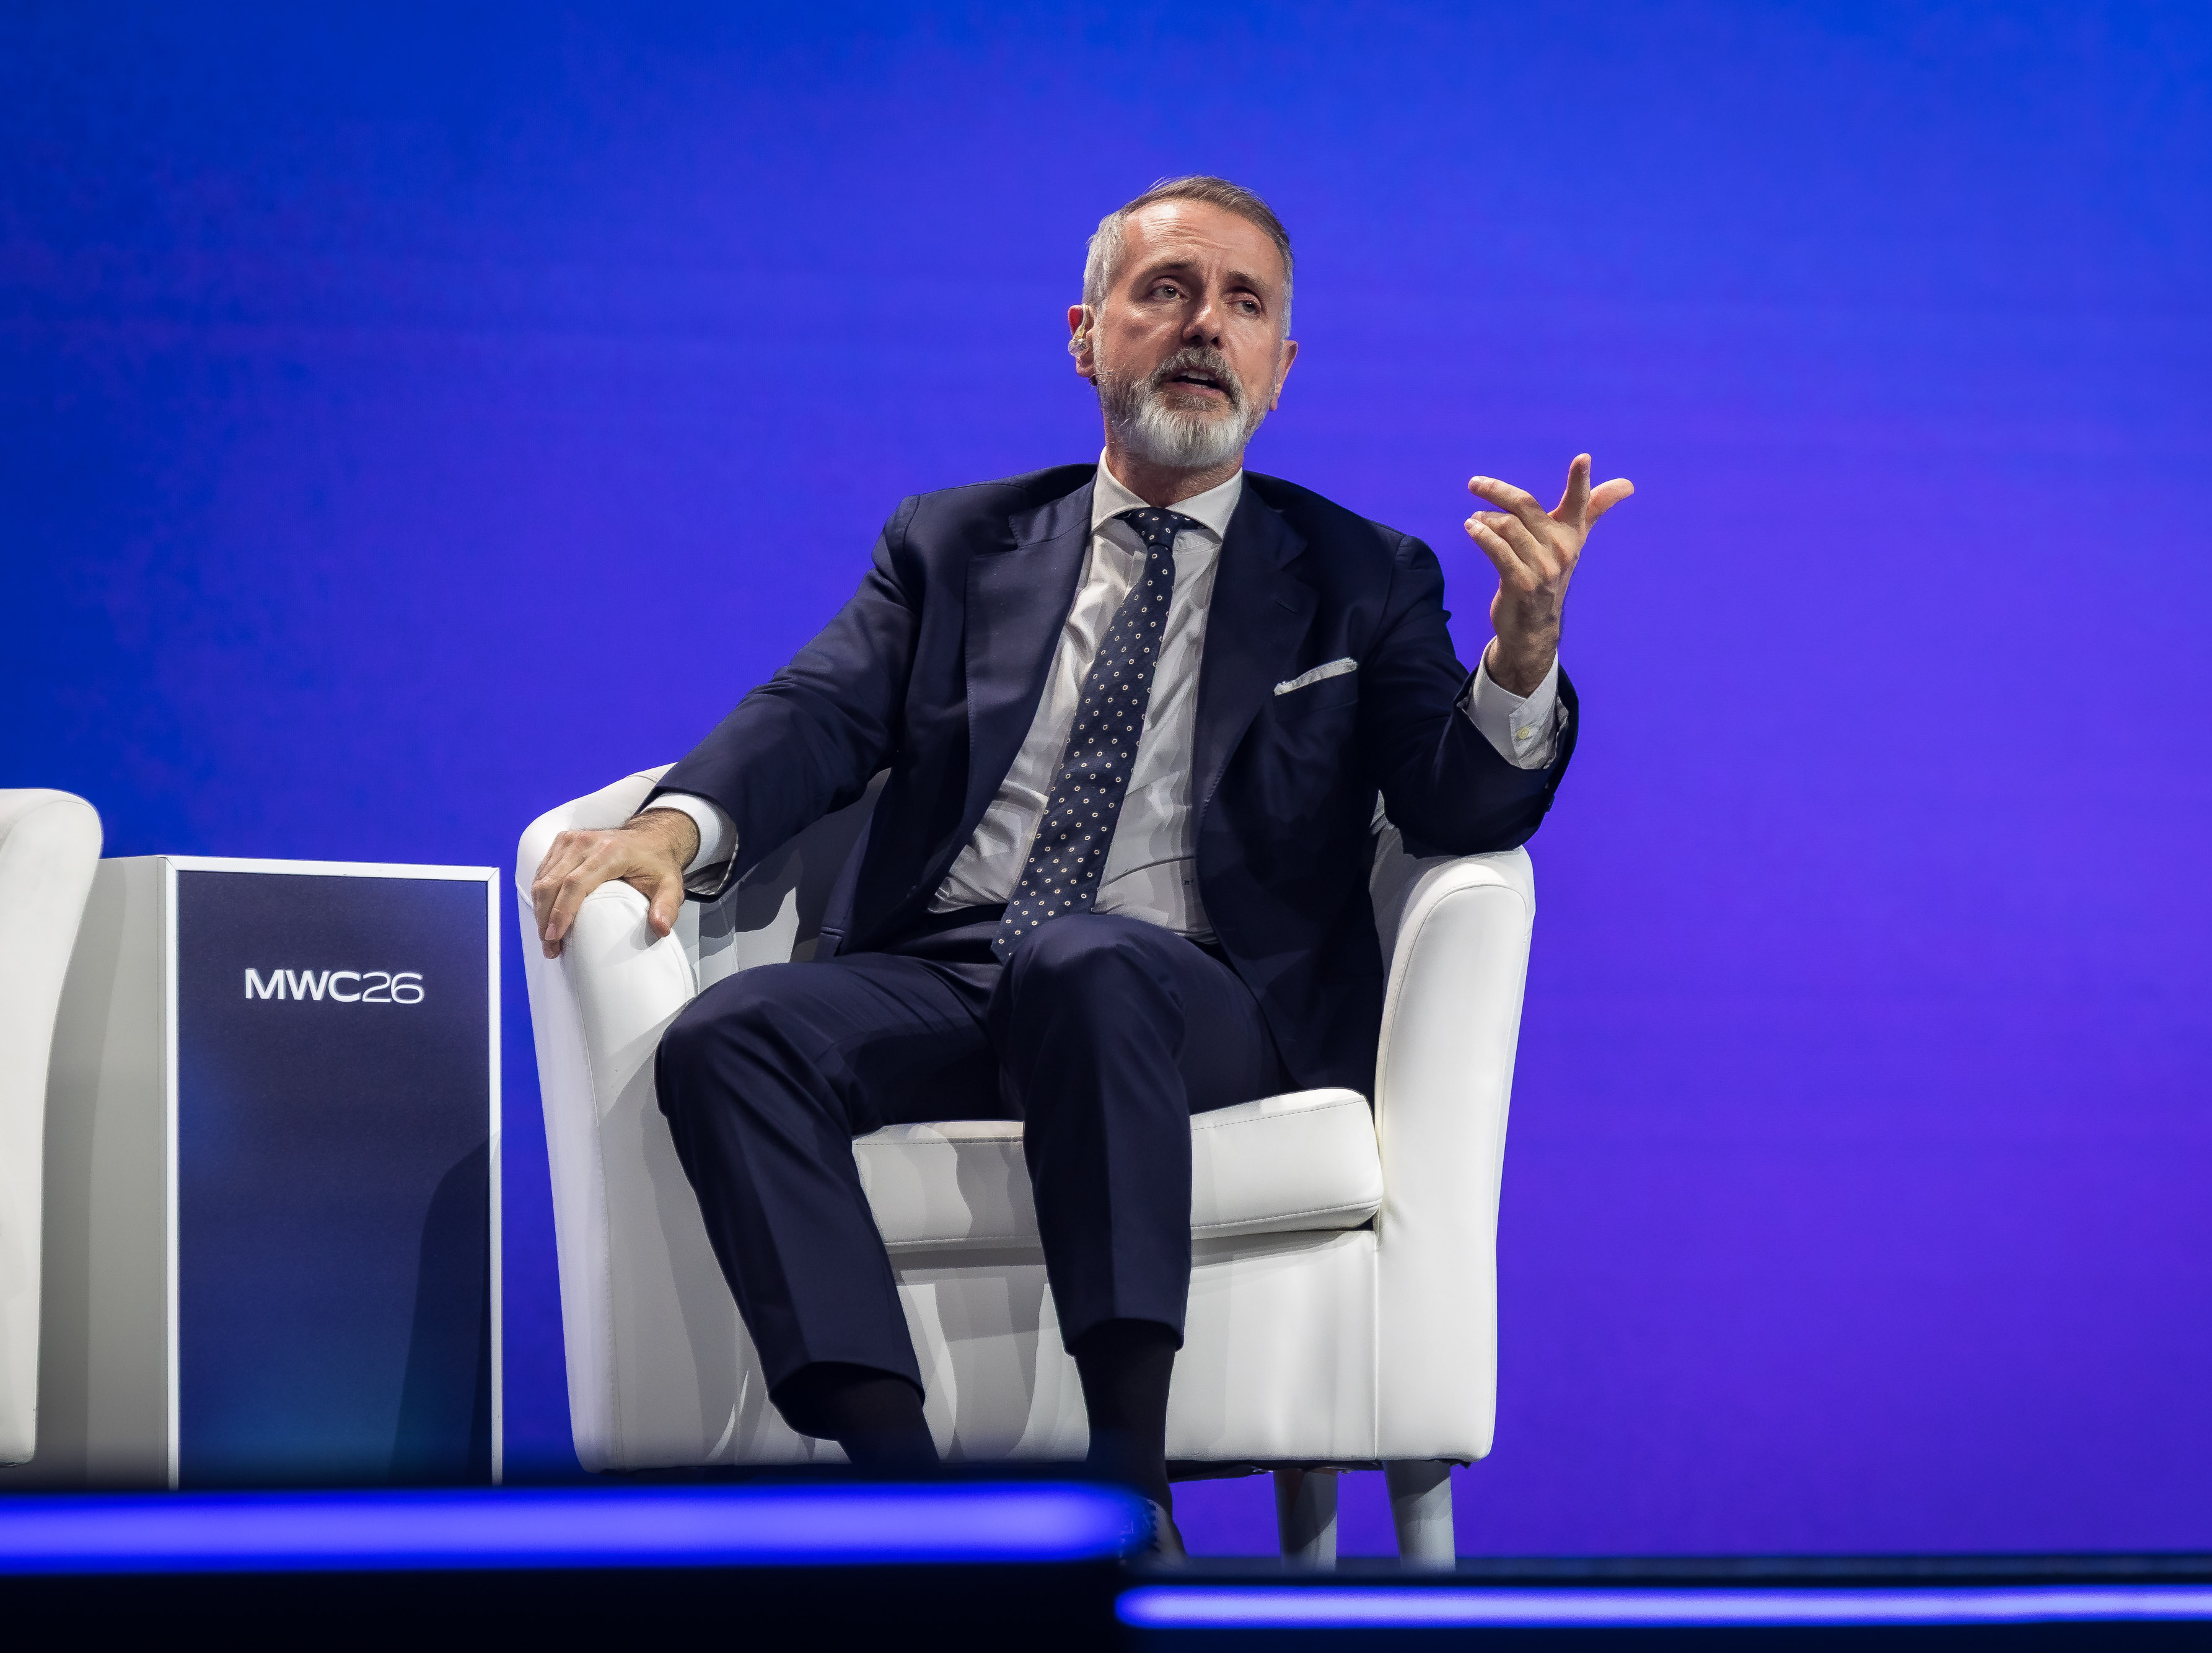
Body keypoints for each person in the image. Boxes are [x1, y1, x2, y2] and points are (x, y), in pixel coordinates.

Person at [529, 175, 1629, 1557]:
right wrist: (671, 830)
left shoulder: (1363, 573)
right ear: (1085, 331)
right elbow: (815, 711)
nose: (1201, 327)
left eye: (1242, 305)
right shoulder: (951, 542)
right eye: (1164, 289)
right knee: (728, 1034)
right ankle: (908, 1500)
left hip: (1200, 1005)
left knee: (1086, 959)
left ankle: (1125, 1486)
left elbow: (1458, 804)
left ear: (1280, 368)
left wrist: (1518, 668)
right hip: (949, 975)